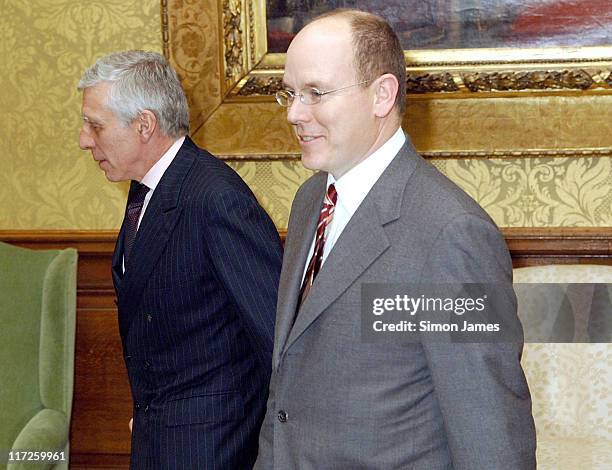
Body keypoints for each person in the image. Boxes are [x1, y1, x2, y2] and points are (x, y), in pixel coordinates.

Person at [255, 9, 536, 469]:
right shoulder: (310, 201)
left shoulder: (450, 233)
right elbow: (287, 389)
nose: (294, 113)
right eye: (289, 93)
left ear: (382, 94)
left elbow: (490, 431)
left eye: (315, 93)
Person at [78, 50, 282, 469]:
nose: (84, 140)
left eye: (95, 126)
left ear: (145, 124)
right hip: (161, 437)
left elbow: (275, 339)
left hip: (212, 447)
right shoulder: (148, 188)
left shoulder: (218, 200)